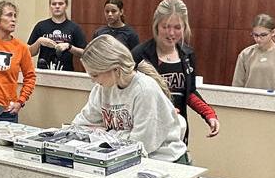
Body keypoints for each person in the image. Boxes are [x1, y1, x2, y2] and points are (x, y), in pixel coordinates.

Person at [72, 35, 188, 163]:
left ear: (115, 69)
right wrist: (111, 135)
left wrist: (105, 133)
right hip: (128, 159)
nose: (93, 80)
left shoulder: (144, 90)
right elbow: (79, 127)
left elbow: (140, 144)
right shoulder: (101, 89)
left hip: (166, 161)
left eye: (95, 74)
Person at [131, 0, 220, 141]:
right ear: (156, 26)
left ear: (185, 28)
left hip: (177, 133)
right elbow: (128, 96)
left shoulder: (187, 55)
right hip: (146, 132)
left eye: (177, 27)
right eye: (165, 26)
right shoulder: (139, 55)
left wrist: (209, 114)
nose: (171, 33)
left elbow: (189, 93)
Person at [232, 13, 275, 92]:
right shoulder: (245, 54)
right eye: (255, 35)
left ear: (273, 32)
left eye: (263, 35)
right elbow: (237, 85)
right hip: (248, 100)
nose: (258, 39)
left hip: (273, 101)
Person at [28, 0, 87, 71]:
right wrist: (39, 41)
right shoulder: (41, 26)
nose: (57, 6)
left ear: (66, 6)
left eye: (60, 4)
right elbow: (29, 53)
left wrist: (69, 47)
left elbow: (85, 54)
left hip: (66, 73)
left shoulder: (74, 27)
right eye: (54, 4)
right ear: (50, 6)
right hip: (43, 72)